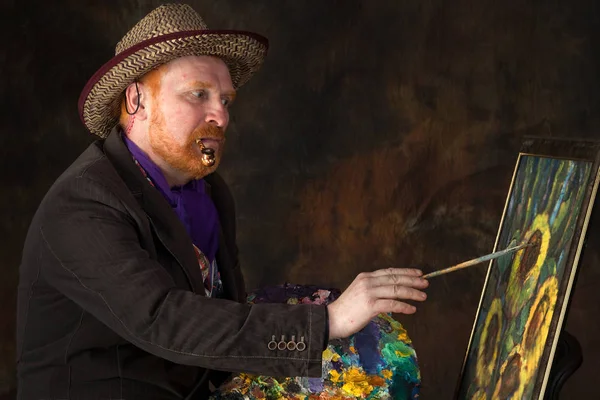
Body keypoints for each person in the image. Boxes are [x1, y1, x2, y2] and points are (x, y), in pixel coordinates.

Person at [15, 3, 429, 399]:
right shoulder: (83, 203)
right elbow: (163, 319)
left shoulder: (211, 193)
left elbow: (222, 315)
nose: (221, 116)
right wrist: (328, 320)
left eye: (225, 100)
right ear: (135, 100)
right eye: (198, 95)